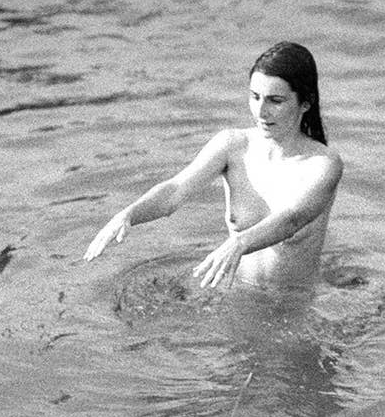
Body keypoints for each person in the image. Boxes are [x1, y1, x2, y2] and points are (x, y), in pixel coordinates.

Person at [84, 42, 343, 294]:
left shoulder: (324, 165)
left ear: (305, 103)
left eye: (275, 100)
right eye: (255, 97)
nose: (261, 111)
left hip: (292, 306)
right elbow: (175, 191)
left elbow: (292, 219)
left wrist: (239, 242)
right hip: (237, 295)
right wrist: (129, 214)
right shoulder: (232, 145)